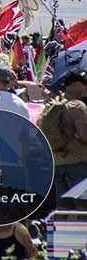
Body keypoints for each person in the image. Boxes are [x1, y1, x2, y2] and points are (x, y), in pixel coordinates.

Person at [47, 70, 87, 199]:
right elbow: (84, 136)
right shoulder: (77, 106)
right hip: (76, 163)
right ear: (75, 85)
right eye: (84, 84)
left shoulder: (54, 104)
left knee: (63, 207)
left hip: (58, 162)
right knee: (81, 208)